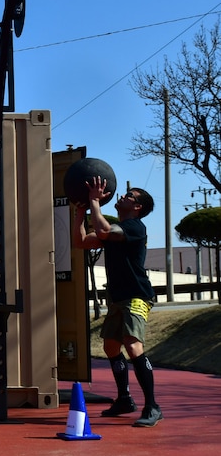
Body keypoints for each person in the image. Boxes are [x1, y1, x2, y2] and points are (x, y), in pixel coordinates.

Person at [72, 177, 163, 428]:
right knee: (112, 348)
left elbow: (103, 231)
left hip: (136, 296)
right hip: (117, 297)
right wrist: (81, 213)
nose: (123, 197)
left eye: (129, 196)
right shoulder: (111, 233)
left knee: (133, 346)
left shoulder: (135, 227)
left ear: (138, 208)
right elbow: (80, 242)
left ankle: (153, 406)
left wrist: (94, 200)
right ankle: (124, 399)